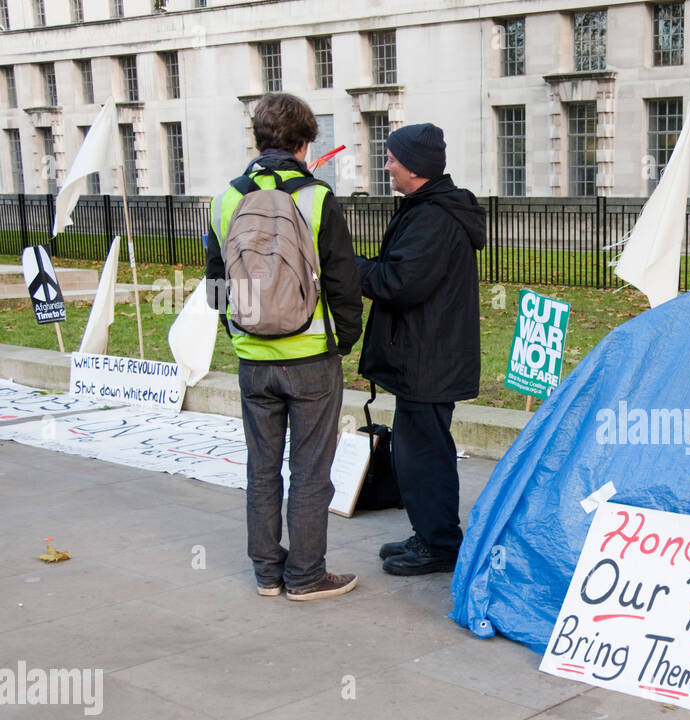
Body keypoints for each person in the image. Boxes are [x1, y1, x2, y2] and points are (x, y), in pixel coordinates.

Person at [206, 92, 363, 601]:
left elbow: (216, 285)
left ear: (256, 139)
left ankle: (267, 574)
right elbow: (343, 283)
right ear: (304, 141)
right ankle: (306, 575)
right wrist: (342, 340)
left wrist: (240, 330)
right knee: (312, 469)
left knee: (261, 468)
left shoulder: (226, 200)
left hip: (253, 360)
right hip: (312, 357)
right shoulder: (317, 198)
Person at [356, 123, 486, 575]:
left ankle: (440, 545)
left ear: (413, 165)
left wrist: (346, 266)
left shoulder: (433, 217)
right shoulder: (426, 208)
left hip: (430, 359)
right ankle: (430, 534)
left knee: (425, 455)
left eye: (391, 157)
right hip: (424, 355)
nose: (387, 164)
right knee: (417, 452)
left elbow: (398, 283)